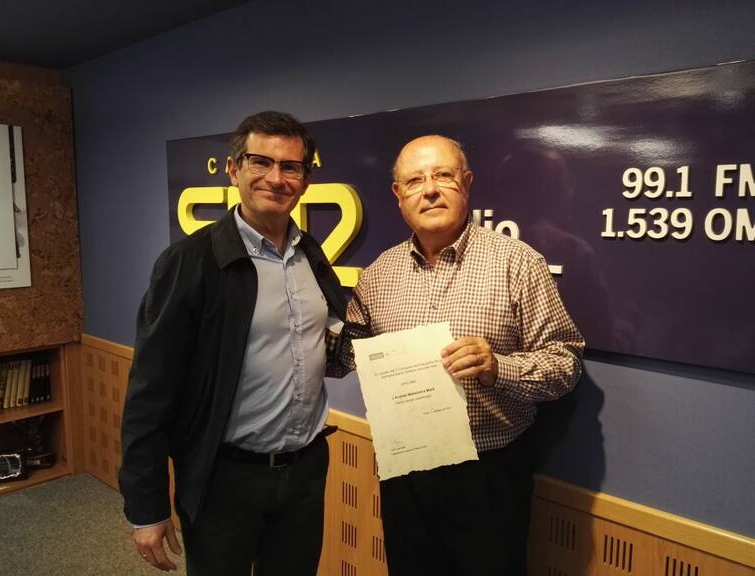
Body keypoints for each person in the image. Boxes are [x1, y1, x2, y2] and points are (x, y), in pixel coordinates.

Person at [342, 135, 584, 575]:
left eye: (443, 176)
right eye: (414, 181)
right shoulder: (377, 275)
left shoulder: (517, 263)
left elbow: (565, 363)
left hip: (489, 475)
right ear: (398, 195)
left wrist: (498, 367)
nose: (429, 190)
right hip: (406, 472)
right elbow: (349, 352)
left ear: (467, 183)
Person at [119, 111, 346, 575]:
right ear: (233, 169)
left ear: (306, 180)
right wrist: (146, 506)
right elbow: (149, 391)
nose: (276, 178)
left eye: (291, 167)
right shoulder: (189, 262)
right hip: (224, 477)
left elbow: (328, 341)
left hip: (304, 472)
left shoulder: (311, 254)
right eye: (260, 162)